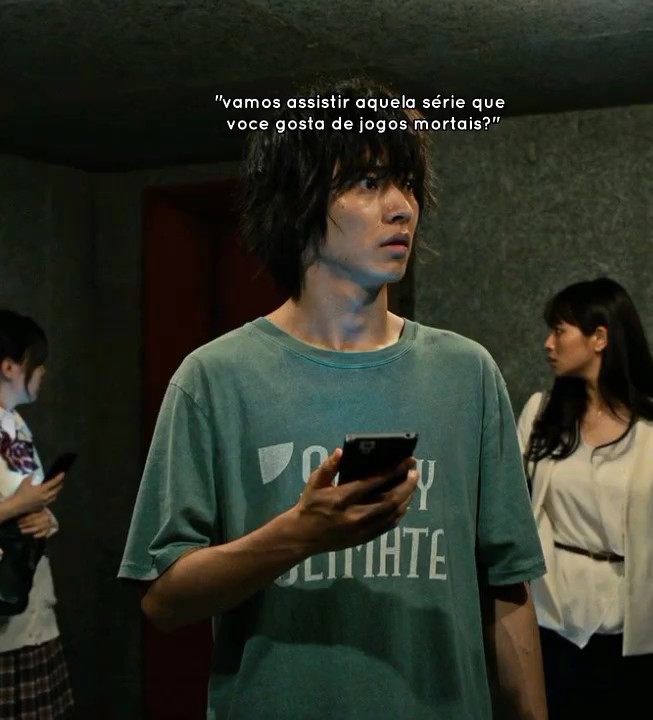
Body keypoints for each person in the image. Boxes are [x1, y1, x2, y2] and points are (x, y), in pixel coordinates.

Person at [119, 77, 548, 720]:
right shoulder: (215, 379)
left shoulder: (467, 374)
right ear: (299, 201)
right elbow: (163, 599)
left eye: (407, 184)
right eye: (369, 183)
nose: (402, 208)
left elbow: (507, 587)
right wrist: (297, 535)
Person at [517, 278, 653, 719]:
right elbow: (514, 513)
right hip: (555, 616)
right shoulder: (540, 415)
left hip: (638, 622)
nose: (548, 343)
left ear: (600, 338)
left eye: (559, 331)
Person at [0, 309, 73, 718]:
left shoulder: (16, 426)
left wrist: (46, 519)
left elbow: (32, 502)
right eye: (36, 362)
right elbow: (20, 501)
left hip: (30, 609)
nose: (42, 371)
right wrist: (18, 506)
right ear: (9, 367)